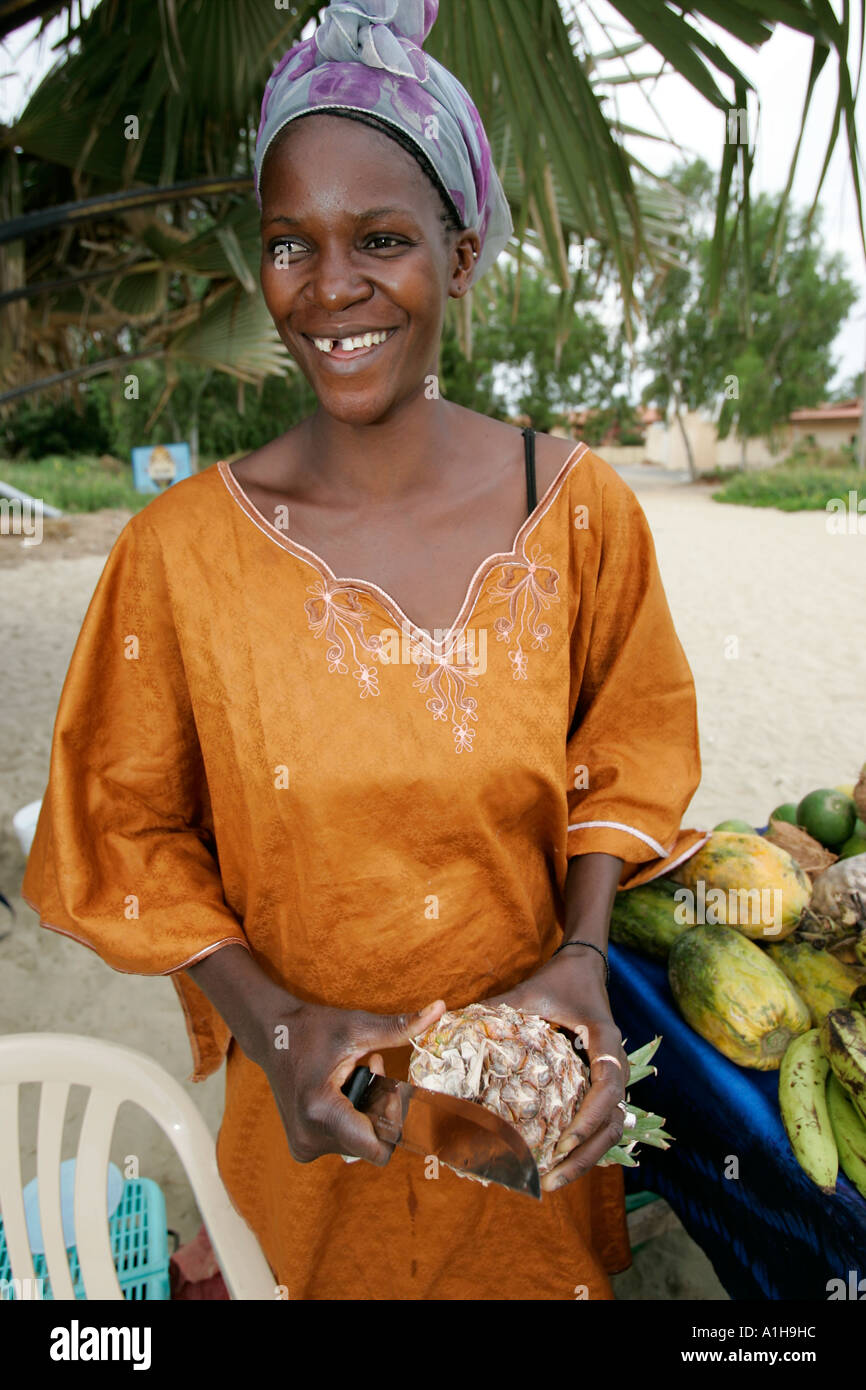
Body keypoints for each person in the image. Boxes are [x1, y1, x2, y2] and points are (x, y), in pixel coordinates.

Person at [22, 0, 705, 1300]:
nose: (329, 288)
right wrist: (272, 1023)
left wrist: (577, 953)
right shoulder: (180, 554)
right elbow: (126, 829)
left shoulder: (577, 513)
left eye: (380, 239)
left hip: (523, 1112)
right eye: (291, 244)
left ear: (457, 256)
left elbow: (624, 752)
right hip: (307, 1124)